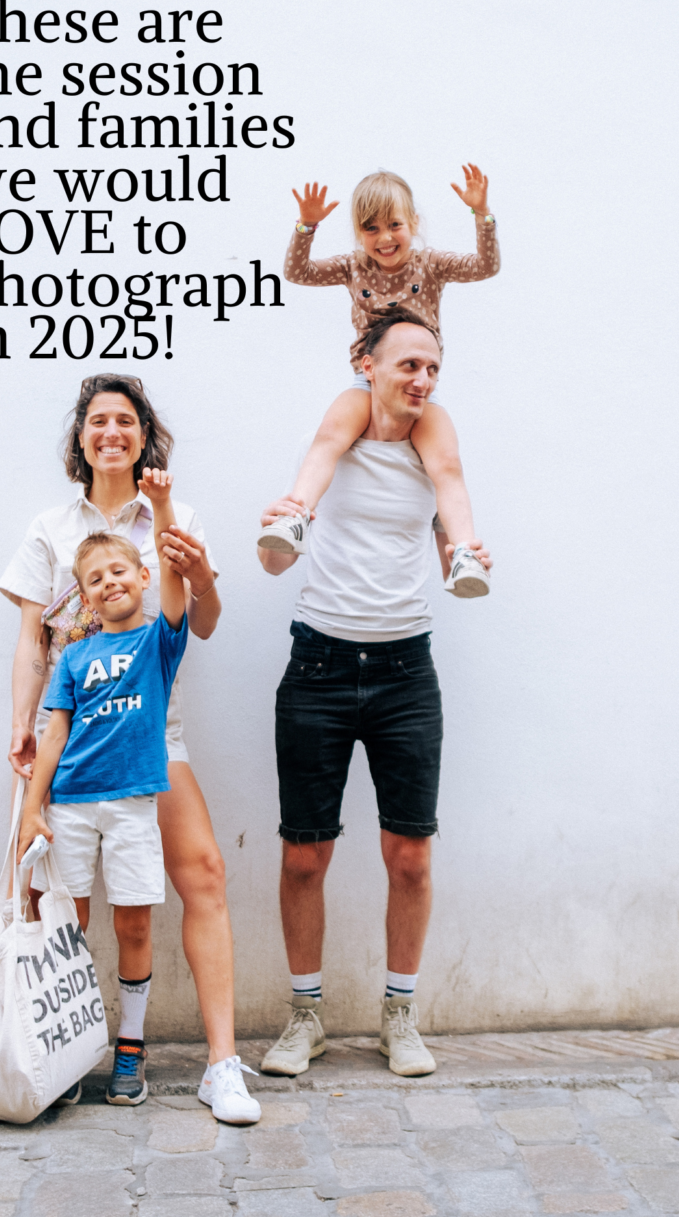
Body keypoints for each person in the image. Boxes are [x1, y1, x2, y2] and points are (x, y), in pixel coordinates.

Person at [0, 375, 259, 1130]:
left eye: (126, 420)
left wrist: (202, 572)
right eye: (97, 421)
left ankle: (221, 1065)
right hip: (71, 743)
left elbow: (198, 625)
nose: (111, 431)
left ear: (145, 435)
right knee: (43, 905)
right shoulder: (49, 526)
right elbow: (30, 640)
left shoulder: (174, 516)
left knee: (203, 873)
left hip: (154, 739)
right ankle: (8, 1062)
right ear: (80, 438)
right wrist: (22, 721)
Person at [257, 314, 492, 1079]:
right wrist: (295, 512)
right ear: (368, 363)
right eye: (408, 365)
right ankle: (306, 1018)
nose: (422, 380)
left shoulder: (435, 431)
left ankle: (399, 1015)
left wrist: (460, 549)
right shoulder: (348, 411)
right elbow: (324, 454)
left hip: (404, 673)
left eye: (433, 366)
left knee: (411, 855)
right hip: (320, 665)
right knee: (304, 856)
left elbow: (450, 484)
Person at [17, 468, 187, 1108]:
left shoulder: (160, 642)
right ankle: (70, 1047)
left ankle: (130, 1047)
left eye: (120, 571)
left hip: (133, 807)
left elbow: (177, 577)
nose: (110, 582)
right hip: (70, 808)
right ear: (84, 599)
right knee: (70, 925)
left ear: (141, 577)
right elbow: (53, 736)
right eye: (95, 579)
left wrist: (164, 503)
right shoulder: (74, 659)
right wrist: (34, 811)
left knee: (135, 925)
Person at [257, 166, 499, 598]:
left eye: (394, 225)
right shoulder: (354, 266)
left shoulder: (432, 263)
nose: (384, 238)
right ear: (358, 234)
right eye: (371, 229)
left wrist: (482, 215)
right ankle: (295, 516)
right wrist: (306, 226)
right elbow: (298, 272)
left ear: (414, 225)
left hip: (419, 383)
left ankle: (464, 552)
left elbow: (485, 266)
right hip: (365, 383)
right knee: (329, 437)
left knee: (447, 464)